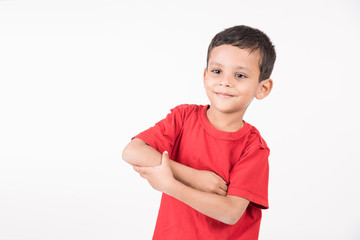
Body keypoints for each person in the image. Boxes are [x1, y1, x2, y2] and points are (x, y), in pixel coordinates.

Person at [122, 25, 276, 239]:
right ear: (205, 75)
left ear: (263, 88)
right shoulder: (183, 118)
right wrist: (193, 177)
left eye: (240, 75)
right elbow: (132, 152)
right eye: (217, 71)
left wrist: (171, 185)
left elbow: (231, 212)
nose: (225, 82)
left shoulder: (253, 147)